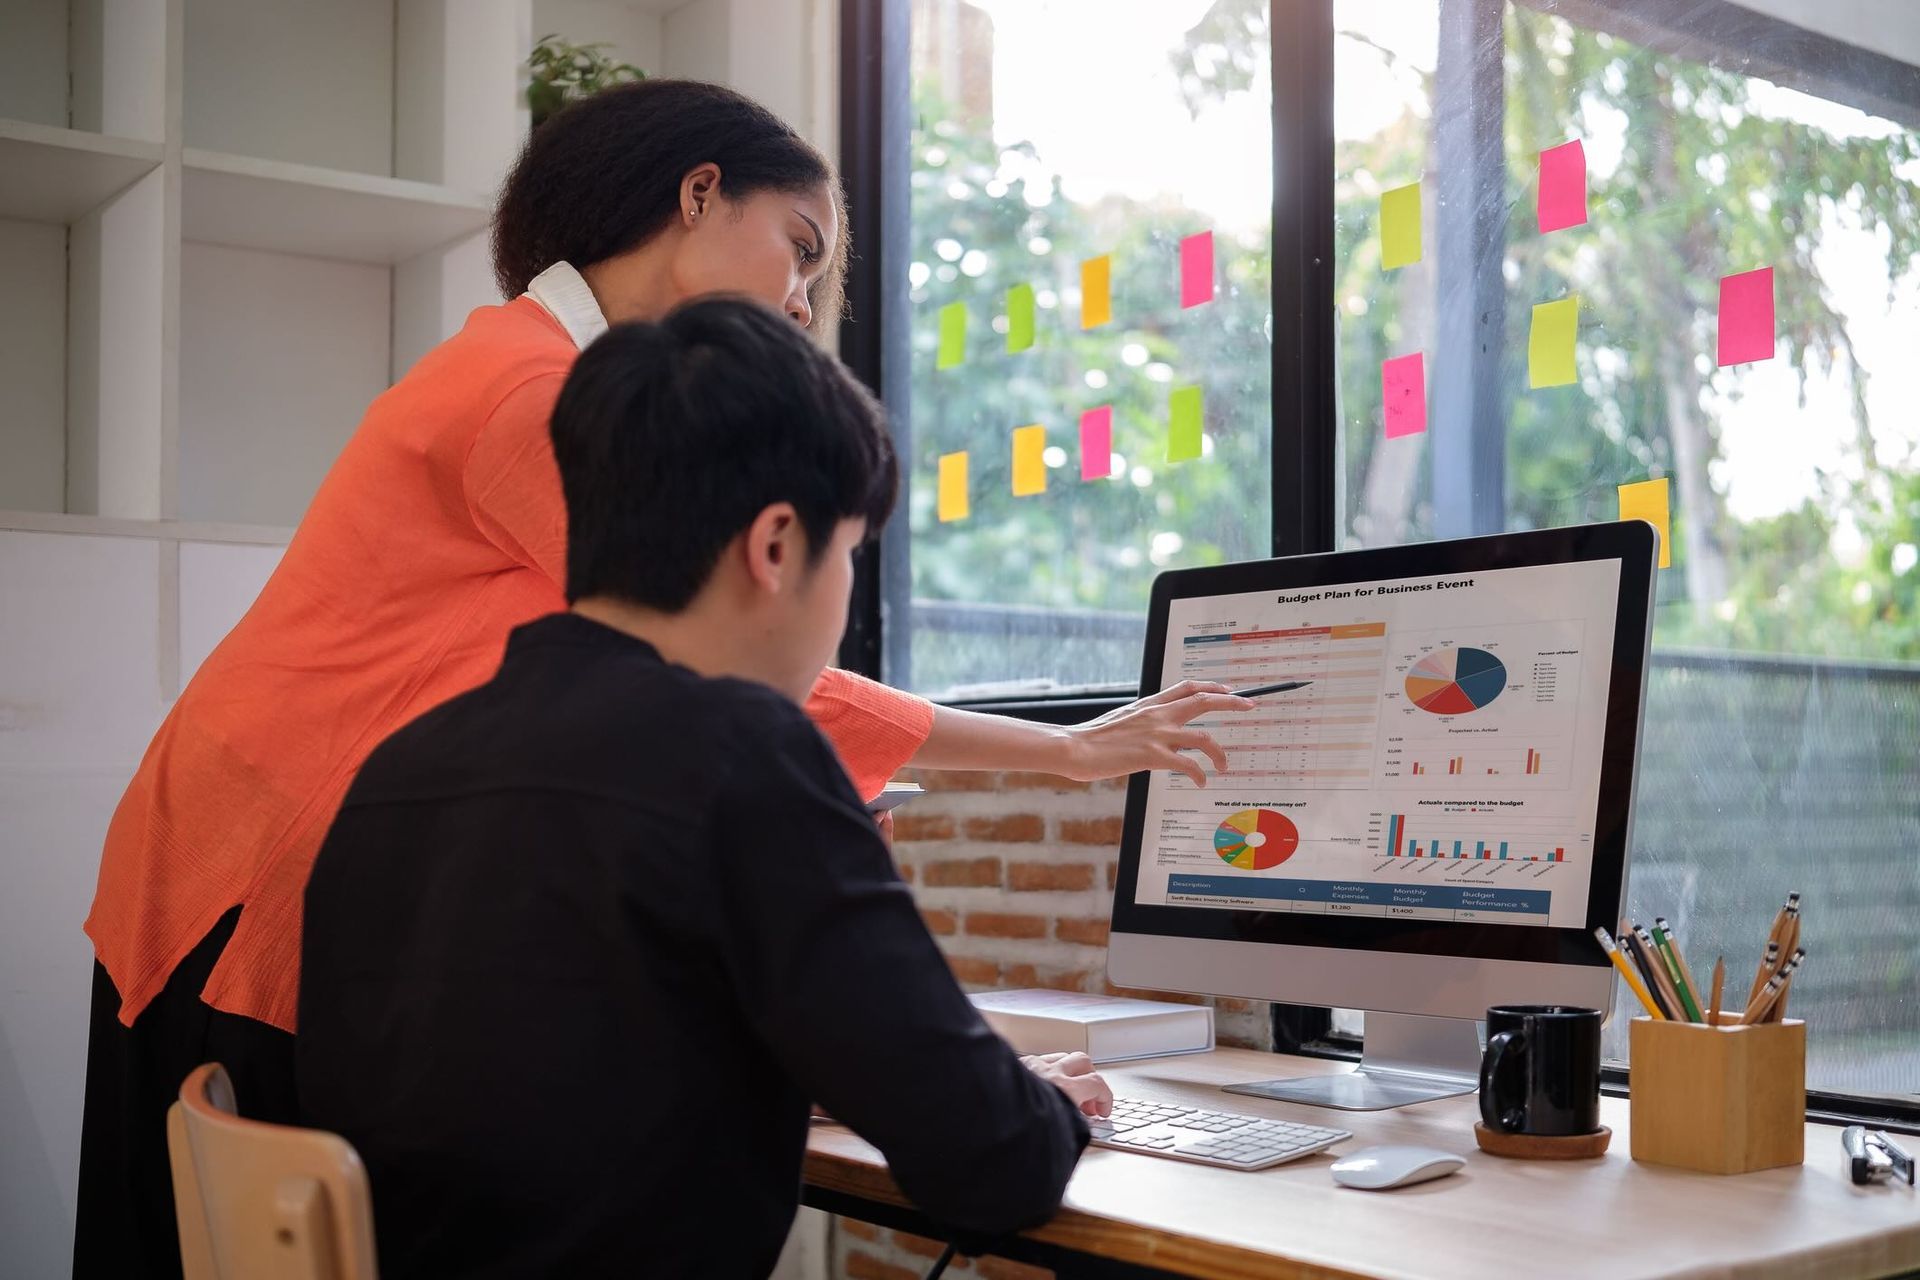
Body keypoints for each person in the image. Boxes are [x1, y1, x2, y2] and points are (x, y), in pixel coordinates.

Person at [75, 79, 1248, 1277]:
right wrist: (1064, 749)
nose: (802, 302)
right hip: (245, 877)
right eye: (800, 247)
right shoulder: (532, 395)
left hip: (314, 875)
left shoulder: (447, 736)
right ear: (698, 194)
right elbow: (718, 654)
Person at [297, 298, 1111, 1277]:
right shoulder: (743, 752)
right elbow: (992, 1164)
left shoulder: (398, 770)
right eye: (850, 553)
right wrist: (1046, 1106)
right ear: (775, 546)